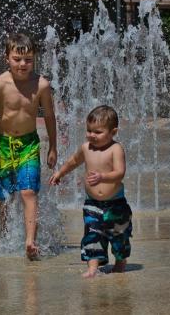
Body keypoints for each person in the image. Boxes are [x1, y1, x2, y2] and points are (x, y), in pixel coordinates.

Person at [0, 33, 57, 260]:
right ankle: (6, 233)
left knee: (29, 191)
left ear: (34, 58)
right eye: (17, 59)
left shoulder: (42, 85)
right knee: (5, 195)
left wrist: (53, 147)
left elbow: (49, 117)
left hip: (29, 144)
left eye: (28, 59)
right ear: (6, 58)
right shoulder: (1, 83)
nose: (23, 64)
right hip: (4, 145)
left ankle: (30, 241)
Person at [49, 105, 132, 278]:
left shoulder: (116, 149)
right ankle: (93, 267)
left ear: (113, 132)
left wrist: (102, 177)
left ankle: (120, 261)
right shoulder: (86, 148)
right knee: (92, 234)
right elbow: (73, 161)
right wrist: (60, 173)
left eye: (98, 132)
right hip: (92, 203)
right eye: (89, 130)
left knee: (119, 236)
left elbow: (120, 173)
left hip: (115, 205)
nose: (92, 135)